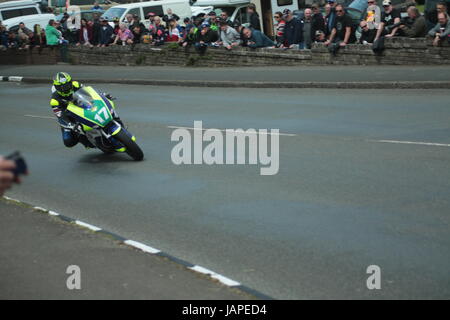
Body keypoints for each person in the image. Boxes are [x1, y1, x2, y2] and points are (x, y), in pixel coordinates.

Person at [49, 72, 93, 149]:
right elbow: (60, 116)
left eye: (67, 85)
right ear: (57, 88)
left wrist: (102, 95)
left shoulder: (76, 84)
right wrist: (71, 125)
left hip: (82, 106)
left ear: (71, 82)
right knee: (68, 141)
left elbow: (90, 92)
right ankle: (82, 139)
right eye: (62, 87)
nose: (66, 88)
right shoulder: (54, 101)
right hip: (69, 117)